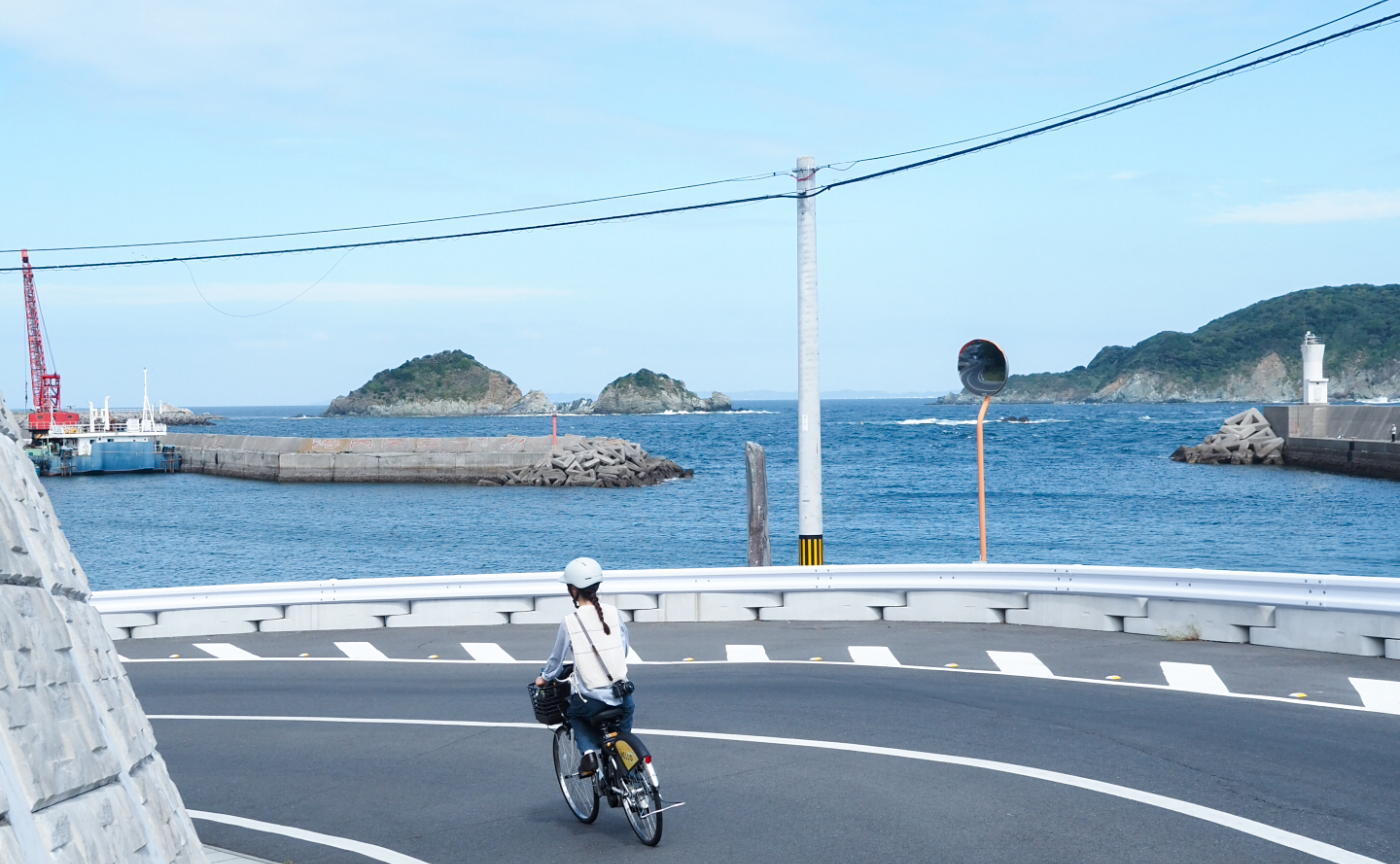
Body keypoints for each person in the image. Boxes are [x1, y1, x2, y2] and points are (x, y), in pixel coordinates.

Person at [535, 557, 633, 777]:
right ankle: (627, 757)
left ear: (573, 590)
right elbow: (623, 649)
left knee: (574, 715)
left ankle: (588, 753)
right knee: (626, 718)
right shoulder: (613, 613)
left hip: (590, 701)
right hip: (622, 696)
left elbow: (556, 660)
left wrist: (544, 677)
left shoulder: (570, 621)